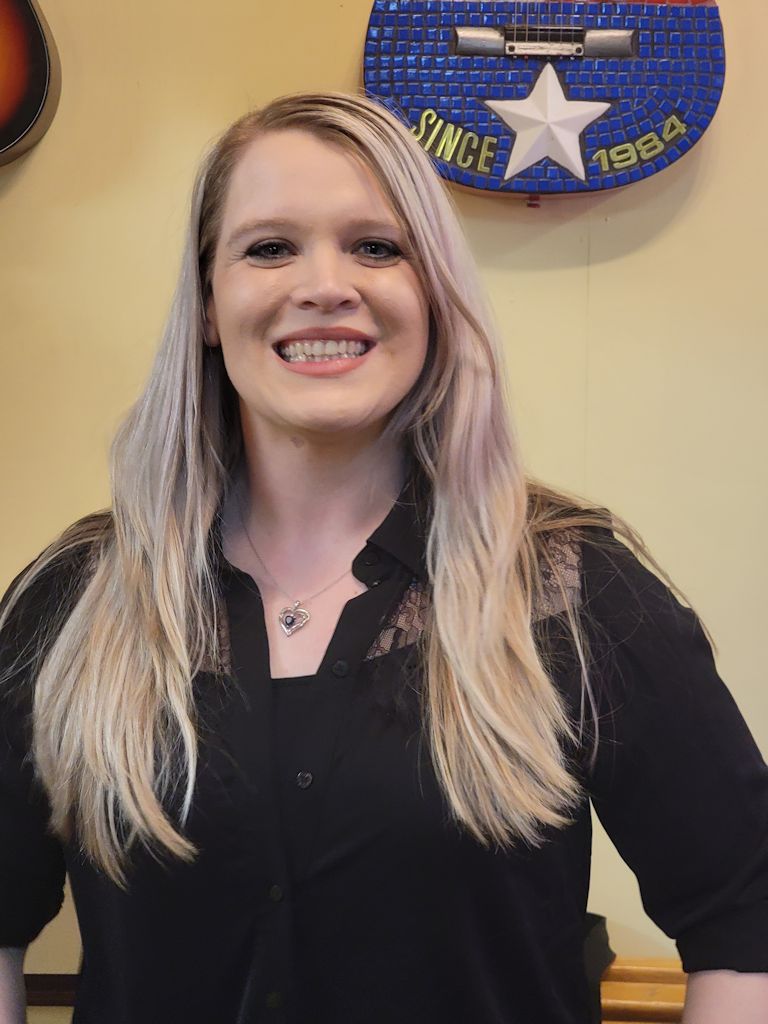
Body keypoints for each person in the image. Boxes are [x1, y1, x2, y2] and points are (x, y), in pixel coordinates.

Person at [0, 92, 766, 1024]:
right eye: (269, 248)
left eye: (375, 247)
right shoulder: (74, 603)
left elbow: (745, 922)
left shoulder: (574, 591)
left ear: (434, 294)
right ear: (206, 304)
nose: (325, 285)